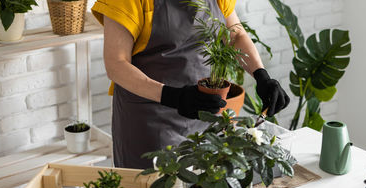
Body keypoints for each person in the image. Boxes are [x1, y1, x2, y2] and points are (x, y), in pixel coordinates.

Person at [92, 0, 290, 169]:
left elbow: (235, 35)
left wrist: (261, 75)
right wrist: (174, 96)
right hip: (151, 121)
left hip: (205, 113)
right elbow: (116, 64)